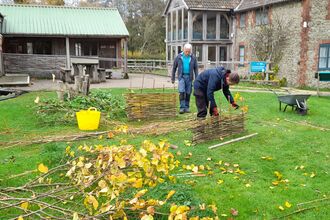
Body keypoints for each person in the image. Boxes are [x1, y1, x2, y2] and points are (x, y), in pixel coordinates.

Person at [171, 43, 198, 114]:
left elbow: (196, 69)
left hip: (189, 77)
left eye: (189, 51)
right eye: (186, 51)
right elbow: (174, 68)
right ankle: (182, 107)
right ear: (183, 49)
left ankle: (187, 107)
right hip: (181, 77)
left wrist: (197, 79)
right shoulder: (179, 57)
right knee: (182, 91)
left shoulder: (193, 57)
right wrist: (173, 78)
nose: (187, 53)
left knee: (188, 92)